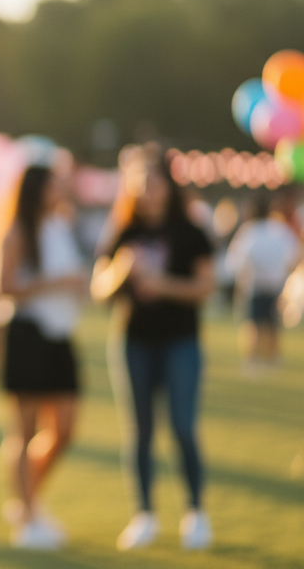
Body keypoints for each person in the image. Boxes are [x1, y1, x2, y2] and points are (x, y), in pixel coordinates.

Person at [91, 146, 215, 552]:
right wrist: (120, 271)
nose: (147, 190)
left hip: (181, 341)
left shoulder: (190, 230)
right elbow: (99, 289)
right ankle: (144, 515)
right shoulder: (122, 230)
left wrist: (163, 286)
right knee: (139, 431)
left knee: (182, 426)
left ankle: (195, 512)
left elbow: (204, 288)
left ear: (168, 183)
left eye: (154, 180)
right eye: (139, 182)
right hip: (133, 341)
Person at [0, 165, 86, 549]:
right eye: (54, 183)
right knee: (24, 430)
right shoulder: (17, 230)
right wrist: (58, 283)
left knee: (66, 427)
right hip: (26, 334)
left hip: (60, 335)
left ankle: (27, 500)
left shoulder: (60, 225)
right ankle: (27, 516)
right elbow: (1, 287)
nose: (62, 188)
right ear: (37, 190)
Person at [225, 193, 300, 370]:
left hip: (255, 285)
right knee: (272, 325)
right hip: (276, 284)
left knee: (253, 325)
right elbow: (296, 254)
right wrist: (283, 272)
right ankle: (272, 359)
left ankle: (252, 360)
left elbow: (236, 262)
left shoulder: (249, 231)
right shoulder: (280, 230)